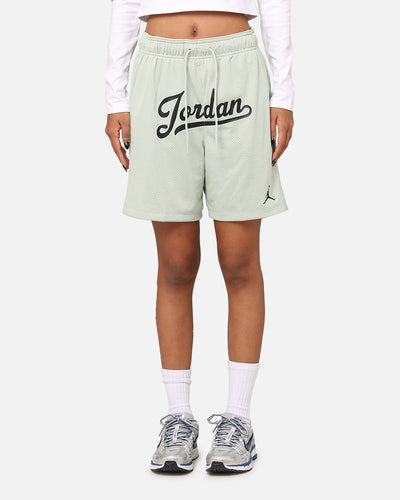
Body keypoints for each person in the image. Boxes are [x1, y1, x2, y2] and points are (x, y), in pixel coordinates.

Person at [105, 0, 294, 473]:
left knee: (239, 261)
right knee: (175, 264)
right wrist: (116, 98)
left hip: (237, 69)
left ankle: (239, 419)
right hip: (160, 70)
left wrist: (284, 93)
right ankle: (178, 418)